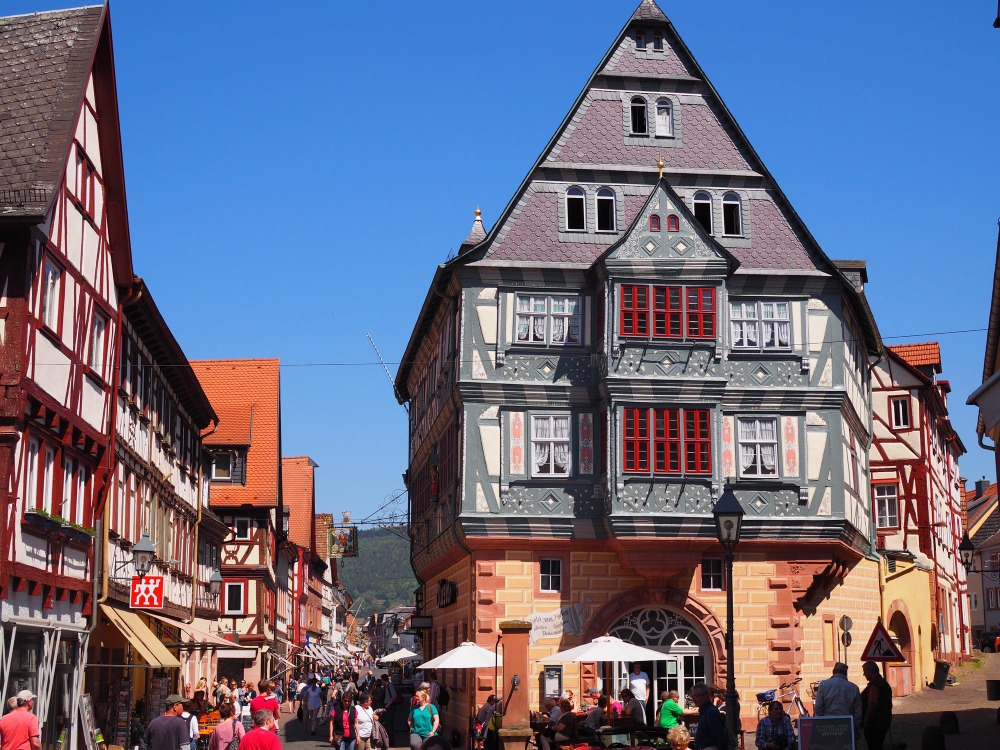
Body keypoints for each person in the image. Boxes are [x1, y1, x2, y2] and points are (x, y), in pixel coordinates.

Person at [813, 662, 861, 736]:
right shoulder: (854, 688)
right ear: (845, 673)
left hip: (827, 725)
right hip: (847, 726)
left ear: (833, 672)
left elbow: (818, 707)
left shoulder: (824, 685)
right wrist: (856, 727)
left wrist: (819, 722)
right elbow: (857, 711)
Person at [860, 661, 892, 750]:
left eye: (865, 671)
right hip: (883, 721)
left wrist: (866, 721)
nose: (864, 674)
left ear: (870, 671)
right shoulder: (883, 683)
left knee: (874, 746)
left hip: (874, 723)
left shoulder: (875, 685)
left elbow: (872, 705)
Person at [690, 683, 727, 750]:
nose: (693, 699)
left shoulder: (710, 711)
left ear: (706, 696)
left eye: (696, 696)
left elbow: (720, 736)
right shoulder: (704, 710)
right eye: (692, 696)